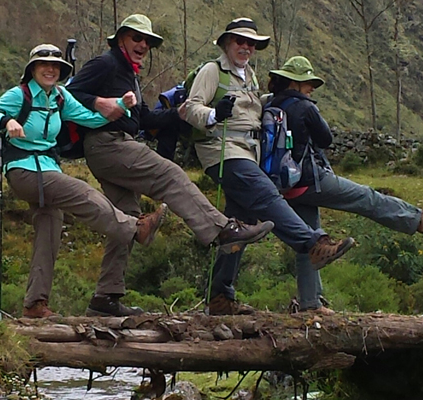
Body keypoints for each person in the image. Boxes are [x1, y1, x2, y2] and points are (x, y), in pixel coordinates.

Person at [66, 14, 275, 317]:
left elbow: (145, 120)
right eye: (137, 38)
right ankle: (222, 229)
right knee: (169, 174)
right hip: (107, 144)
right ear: (121, 38)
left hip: (114, 143)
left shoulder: (128, 74)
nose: (142, 45)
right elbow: (67, 93)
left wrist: (179, 113)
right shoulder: (106, 64)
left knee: (127, 218)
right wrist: (100, 102)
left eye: (147, 41)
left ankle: (105, 298)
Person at [0, 43, 167, 319]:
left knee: (50, 227)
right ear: (32, 69)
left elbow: (88, 118)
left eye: (56, 66)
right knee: (81, 192)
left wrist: (119, 107)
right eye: (44, 65)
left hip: (48, 168)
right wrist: (7, 122)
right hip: (23, 171)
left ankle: (35, 304)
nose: (50, 69)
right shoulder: (19, 96)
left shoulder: (60, 98)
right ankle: (135, 229)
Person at [183, 18, 355, 316]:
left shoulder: (249, 75)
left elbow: (257, 109)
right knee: (266, 195)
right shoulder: (212, 71)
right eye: (240, 41)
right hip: (222, 150)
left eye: (251, 43)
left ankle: (220, 297)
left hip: (249, 151)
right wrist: (213, 113)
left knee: (240, 224)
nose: (246, 47)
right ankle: (313, 244)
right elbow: (190, 107)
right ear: (227, 43)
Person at [266, 56, 423, 314]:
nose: (312, 88)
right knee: (366, 198)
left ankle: (310, 304)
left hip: (286, 186)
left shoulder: (271, 105)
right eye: (308, 82)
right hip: (311, 180)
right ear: (295, 81)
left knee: (309, 241)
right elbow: (325, 139)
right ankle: (417, 220)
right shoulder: (304, 107)